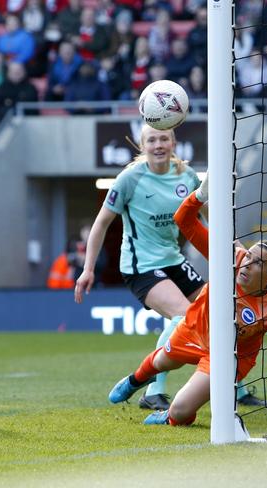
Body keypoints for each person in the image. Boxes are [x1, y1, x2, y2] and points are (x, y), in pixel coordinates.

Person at [107, 176, 267, 432]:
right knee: (159, 363)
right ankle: (135, 380)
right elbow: (183, 221)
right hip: (195, 329)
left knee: (181, 412)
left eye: (258, 263)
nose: (247, 263)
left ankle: (169, 414)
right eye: (248, 255)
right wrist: (199, 195)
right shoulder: (230, 258)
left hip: (229, 356)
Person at [75, 124, 206, 411]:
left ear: (173, 143)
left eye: (163, 139)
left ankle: (238, 387)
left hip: (174, 260)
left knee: (218, 311)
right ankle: (153, 391)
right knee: (185, 317)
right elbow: (100, 224)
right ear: (142, 146)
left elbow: (205, 220)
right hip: (140, 266)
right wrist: (88, 269)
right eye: (152, 140)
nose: (158, 145)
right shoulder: (129, 179)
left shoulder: (187, 176)